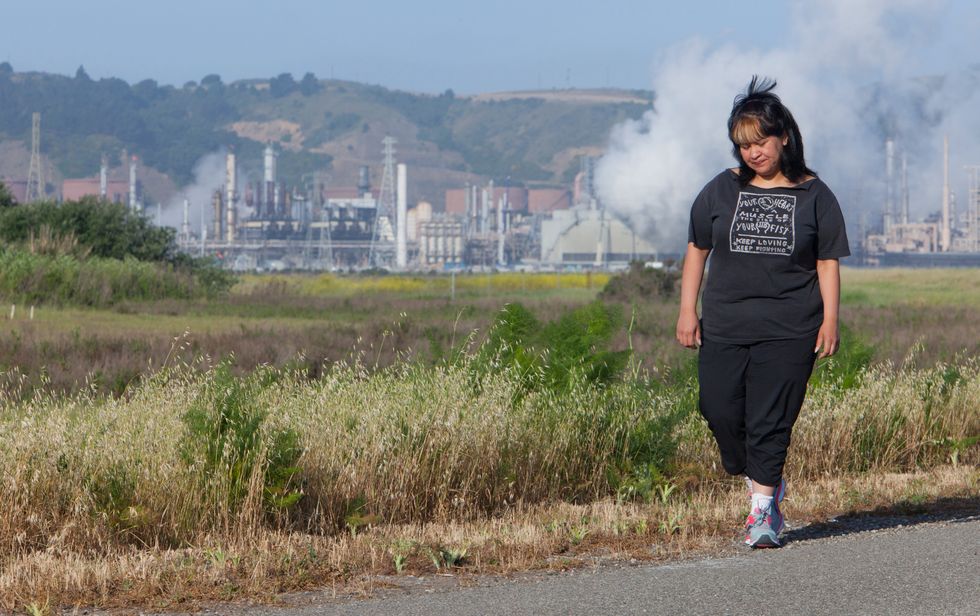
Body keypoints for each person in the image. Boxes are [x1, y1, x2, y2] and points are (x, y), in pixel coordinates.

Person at [675, 76, 850, 548]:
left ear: (784, 136)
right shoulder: (721, 190)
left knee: (772, 419)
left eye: (760, 141)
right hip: (727, 323)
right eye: (743, 144)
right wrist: (687, 310)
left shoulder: (816, 195)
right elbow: (697, 249)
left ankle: (763, 510)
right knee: (718, 409)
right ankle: (759, 474)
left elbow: (827, 262)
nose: (753, 152)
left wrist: (830, 320)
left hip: (792, 326)